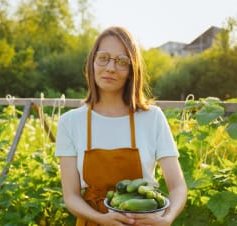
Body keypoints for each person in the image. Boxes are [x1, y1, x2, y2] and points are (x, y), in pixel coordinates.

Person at [55, 26, 187, 226]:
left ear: (132, 70)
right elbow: (71, 196)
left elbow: (177, 186)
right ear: (92, 62)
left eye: (121, 61)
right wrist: (102, 219)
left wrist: (166, 219)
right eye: (103, 58)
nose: (110, 67)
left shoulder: (152, 118)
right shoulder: (70, 122)